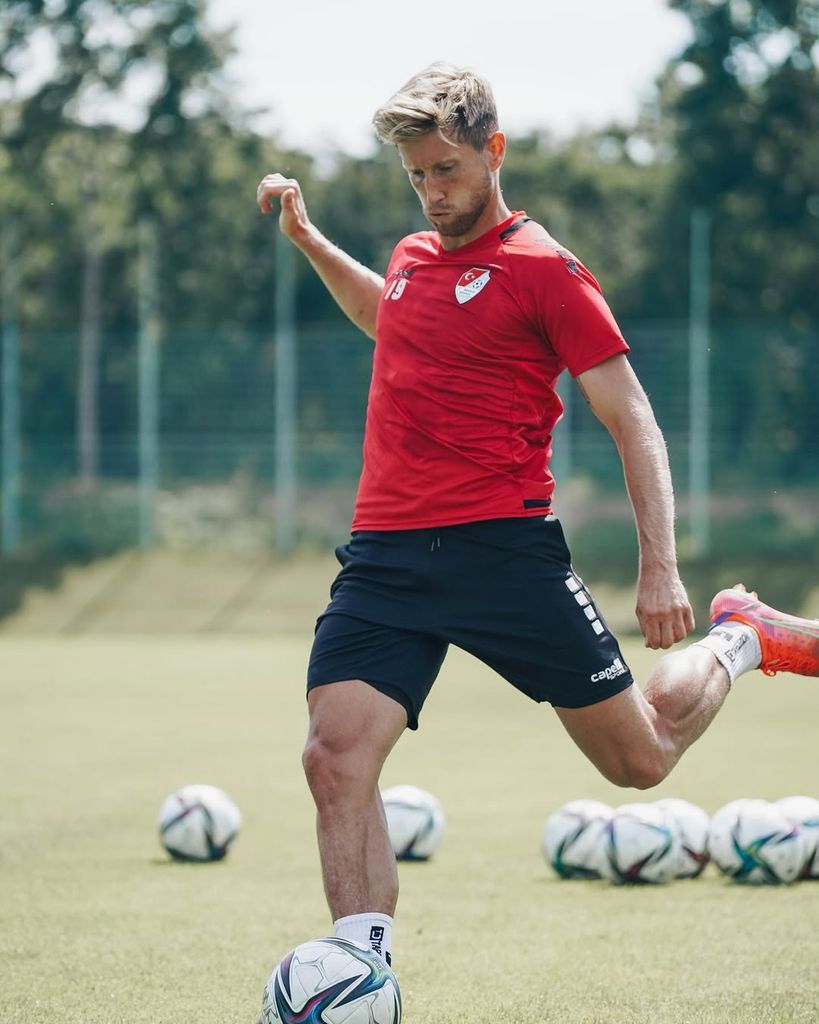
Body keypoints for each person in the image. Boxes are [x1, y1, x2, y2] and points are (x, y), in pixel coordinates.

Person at [255, 63, 819, 974]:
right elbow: (386, 315)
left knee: (638, 760)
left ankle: (741, 637)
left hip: (502, 554)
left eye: (445, 169)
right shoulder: (410, 257)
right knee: (333, 756)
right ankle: (360, 966)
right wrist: (310, 239)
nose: (432, 192)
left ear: (494, 150)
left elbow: (631, 417)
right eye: (415, 176)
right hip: (385, 560)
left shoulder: (544, 269)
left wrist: (660, 566)